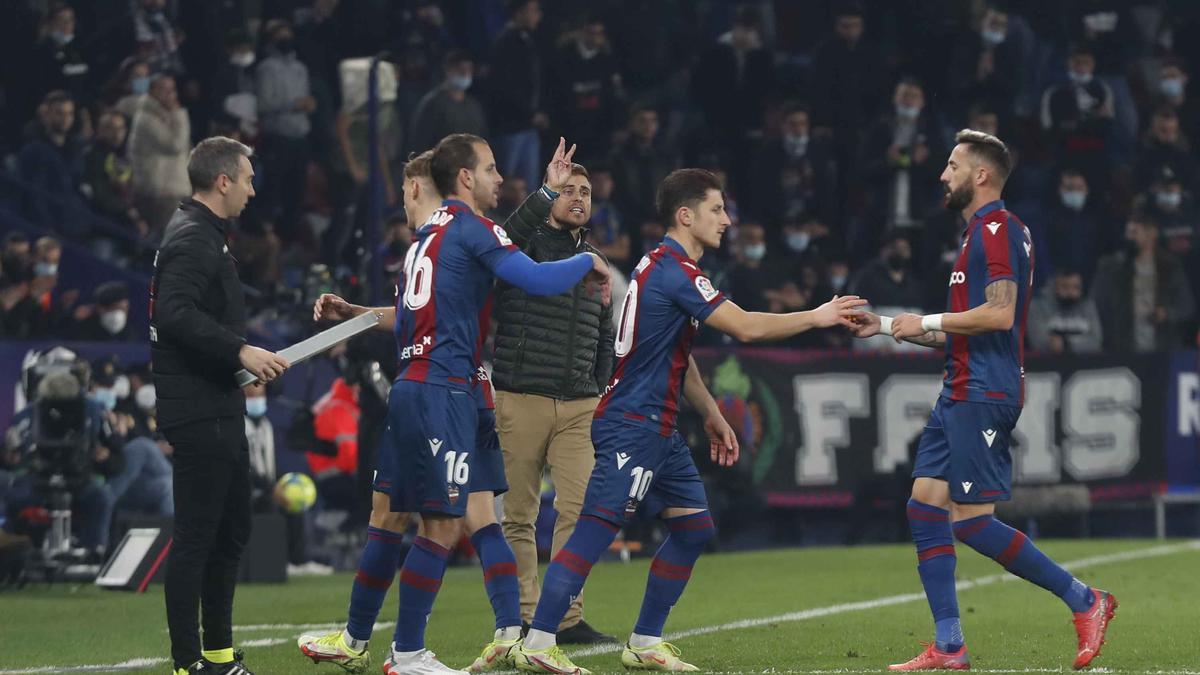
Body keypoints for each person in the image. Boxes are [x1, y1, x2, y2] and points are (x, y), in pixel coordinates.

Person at [513, 169, 866, 674]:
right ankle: (539, 641)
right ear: (686, 215)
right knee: (594, 530)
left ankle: (645, 641)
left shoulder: (666, 267)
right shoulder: (675, 270)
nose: (726, 220)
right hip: (632, 422)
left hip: (660, 427)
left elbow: (678, 352)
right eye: (717, 210)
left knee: (694, 528)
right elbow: (744, 326)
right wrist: (817, 315)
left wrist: (712, 412)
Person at [299, 137, 608, 674]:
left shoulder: (427, 238)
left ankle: (372, 639)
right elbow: (534, 277)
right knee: (443, 524)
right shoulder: (468, 228)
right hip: (444, 391)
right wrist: (590, 260)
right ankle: (410, 652)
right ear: (464, 178)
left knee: (425, 514)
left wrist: (355, 312)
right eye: (490, 170)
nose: (498, 179)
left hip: (435, 386)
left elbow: (415, 308)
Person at [846, 130, 1116, 671]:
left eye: (952, 166)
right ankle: (950, 646)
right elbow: (961, 331)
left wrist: (921, 319)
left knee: (970, 521)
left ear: (981, 175)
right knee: (924, 507)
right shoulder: (974, 237)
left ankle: (1086, 600)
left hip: (985, 390)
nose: (943, 175)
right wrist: (883, 327)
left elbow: (1000, 314)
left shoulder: (998, 229)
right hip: (960, 387)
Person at [151, 136, 290, 675]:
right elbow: (174, 313)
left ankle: (219, 654)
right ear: (223, 180)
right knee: (197, 538)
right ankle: (190, 662)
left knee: (230, 532)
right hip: (199, 409)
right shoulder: (192, 237)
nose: (253, 190)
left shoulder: (205, 235)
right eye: (248, 179)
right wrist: (240, 350)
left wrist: (239, 364)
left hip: (218, 402)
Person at [491, 161, 616, 644]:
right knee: (518, 516)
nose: (579, 198)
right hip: (521, 396)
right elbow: (506, 231)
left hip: (580, 403)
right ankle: (525, 618)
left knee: (582, 512)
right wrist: (543, 190)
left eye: (585, 191)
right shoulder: (520, 247)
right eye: (568, 191)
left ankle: (563, 619)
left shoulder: (595, 258)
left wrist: (599, 382)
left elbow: (604, 329)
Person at [1092, 213, 1195, 353]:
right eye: (1128, 232)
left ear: (1151, 234)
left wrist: (1166, 314)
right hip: (1123, 347)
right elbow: (1098, 304)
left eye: (1134, 232)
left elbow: (1186, 306)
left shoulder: (1170, 267)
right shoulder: (1112, 267)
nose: (1129, 237)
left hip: (1163, 348)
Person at [128, 75, 191, 235]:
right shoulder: (146, 118)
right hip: (162, 194)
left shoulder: (167, 116)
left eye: (172, 90)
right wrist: (178, 113)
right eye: (164, 89)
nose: (170, 95)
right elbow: (175, 145)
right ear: (152, 91)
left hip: (174, 192)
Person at [409, 50, 489, 156]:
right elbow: (421, 142)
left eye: (469, 69)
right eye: (460, 69)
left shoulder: (473, 105)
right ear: (448, 70)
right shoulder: (433, 103)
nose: (465, 73)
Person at [1028, 269, 1102, 354]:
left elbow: (1096, 341)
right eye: (1065, 287)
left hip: (1086, 364)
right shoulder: (1038, 306)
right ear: (1054, 287)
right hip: (1047, 364)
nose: (1070, 292)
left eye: (1076, 287)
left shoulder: (1088, 306)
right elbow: (1037, 340)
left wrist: (1066, 344)